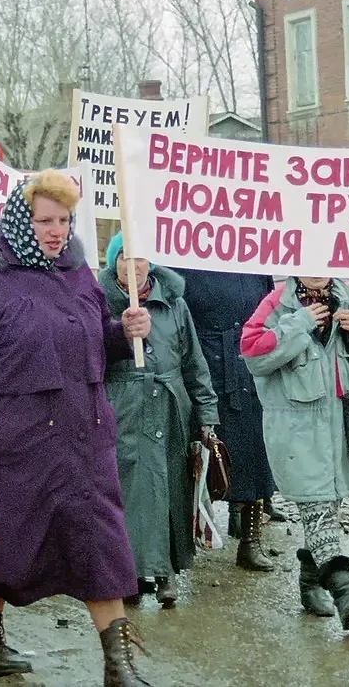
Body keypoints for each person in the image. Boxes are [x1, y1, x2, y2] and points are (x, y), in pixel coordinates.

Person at [0, 172, 153, 684]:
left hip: (84, 438)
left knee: (100, 544)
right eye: (44, 220)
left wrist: (123, 334)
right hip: (12, 445)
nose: (56, 231)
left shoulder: (77, 272)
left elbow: (91, 342)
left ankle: (119, 666)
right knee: (6, 545)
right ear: (18, 220)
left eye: (64, 220)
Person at [240, 276, 349, 632]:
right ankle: (344, 591)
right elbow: (253, 354)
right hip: (296, 436)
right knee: (318, 511)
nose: (315, 269)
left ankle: (309, 582)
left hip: (343, 436)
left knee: (325, 512)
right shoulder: (277, 303)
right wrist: (300, 323)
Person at [97, 233, 219, 609]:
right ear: (113, 263)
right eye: (123, 257)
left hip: (170, 407)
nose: (132, 266)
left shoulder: (174, 304)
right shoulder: (99, 304)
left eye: (139, 257)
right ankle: (131, 573)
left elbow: (193, 362)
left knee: (170, 488)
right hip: (124, 407)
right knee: (128, 491)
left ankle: (166, 572)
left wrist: (206, 415)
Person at [169, 267, 278, 570]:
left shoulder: (254, 263)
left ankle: (250, 539)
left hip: (248, 362)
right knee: (196, 457)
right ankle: (185, 540)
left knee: (254, 452)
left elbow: (269, 305)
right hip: (203, 363)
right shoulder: (184, 262)